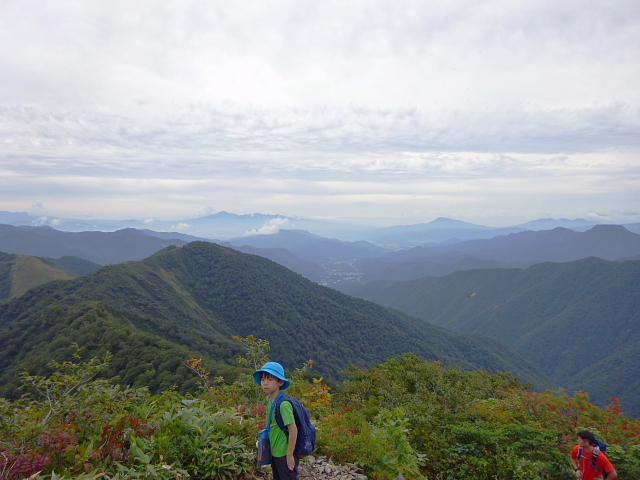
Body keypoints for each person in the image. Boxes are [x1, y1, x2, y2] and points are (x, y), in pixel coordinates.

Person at [254, 362, 299, 480]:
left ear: (280, 382)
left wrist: (290, 455)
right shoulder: (270, 401)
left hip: (284, 453)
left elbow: (293, 430)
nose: (265, 383)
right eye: (263, 379)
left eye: (270, 379)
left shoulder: (283, 404)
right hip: (275, 452)